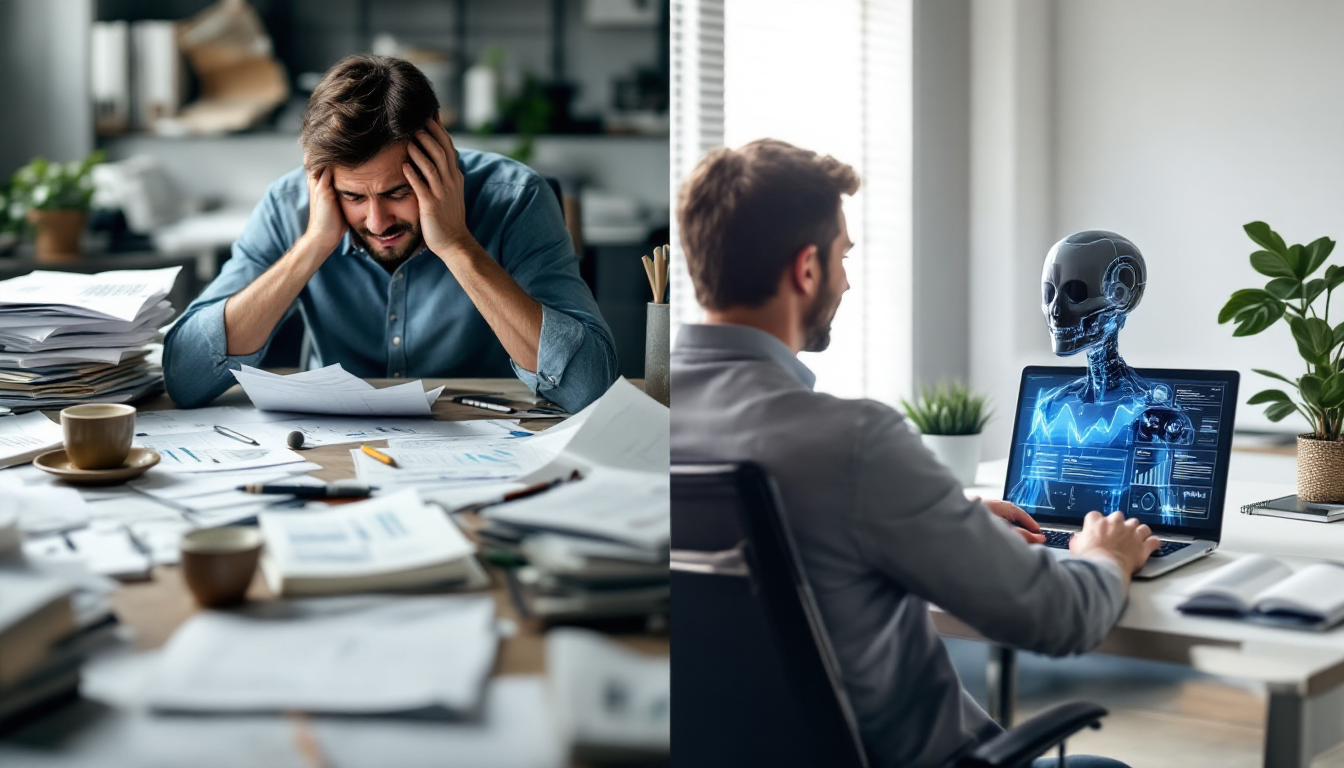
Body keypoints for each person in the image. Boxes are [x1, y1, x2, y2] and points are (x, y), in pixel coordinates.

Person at [670, 138, 1158, 768]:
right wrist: (1105, 557)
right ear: (806, 270)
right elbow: (1057, 617)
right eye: (843, 256)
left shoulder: (651, 422)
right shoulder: (852, 444)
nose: (847, 279)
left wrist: (941, 519)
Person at [163, 54, 617, 413]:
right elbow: (185, 377)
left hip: (485, 437)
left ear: (438, 145)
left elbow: (589, 388)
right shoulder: (289, 206)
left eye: (399, 191)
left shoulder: (516, 199)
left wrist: (457, 245)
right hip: (334, 449)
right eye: (354, 197)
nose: (378, 223)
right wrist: (313, 246)